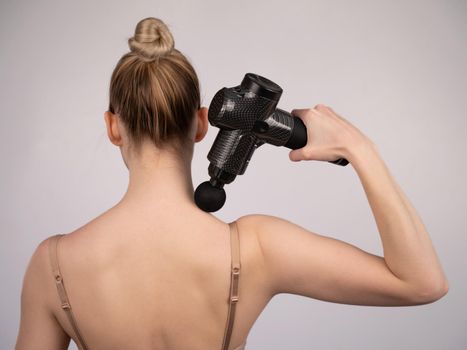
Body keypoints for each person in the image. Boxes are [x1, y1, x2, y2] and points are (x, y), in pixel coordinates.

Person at [15, 17, 449, 350]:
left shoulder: (52, 264)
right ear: (203, 123)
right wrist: (359, 148)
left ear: (113, 128)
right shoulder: (256, 248)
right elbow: (422, 283)